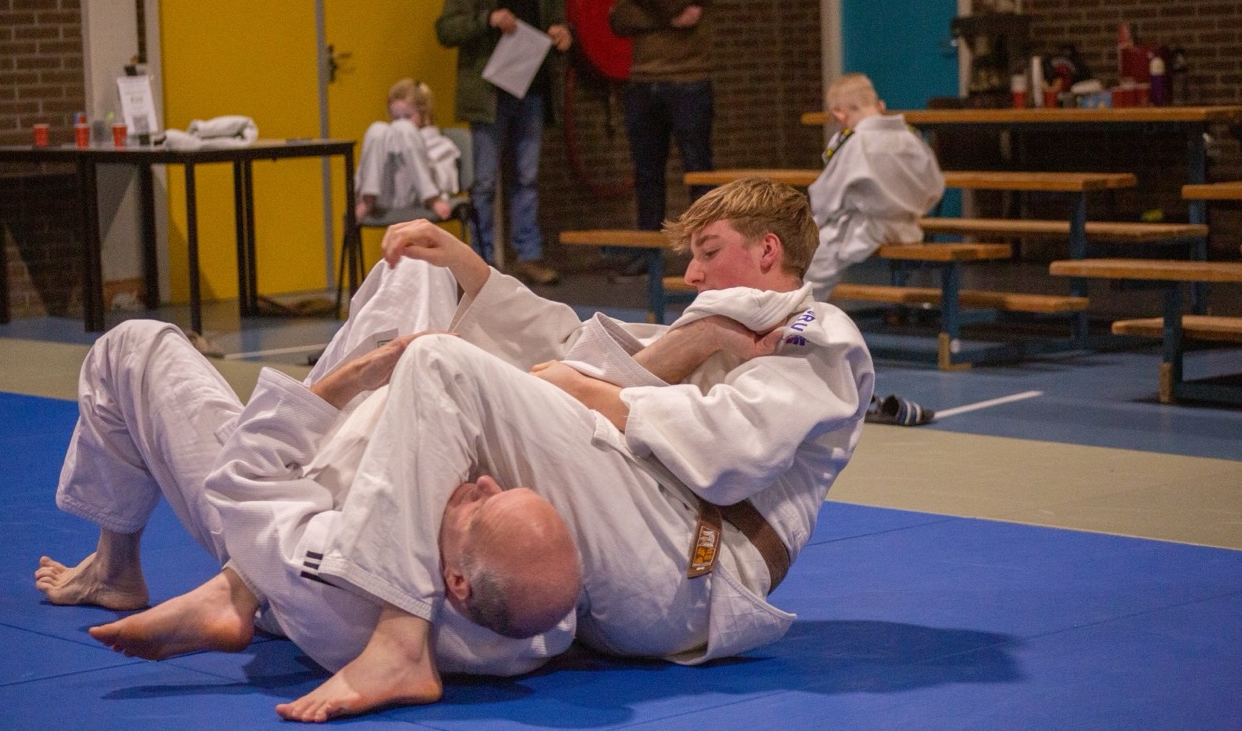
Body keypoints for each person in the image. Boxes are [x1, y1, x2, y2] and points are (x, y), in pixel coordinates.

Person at [52, 178, 873, 722]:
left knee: (442, 365)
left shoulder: (817, 331)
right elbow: (570, 347)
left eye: (709, 250)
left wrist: (597, 391)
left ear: (768, 251)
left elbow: (728, 452)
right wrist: (473, 272)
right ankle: (239, 579)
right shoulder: (713, 324)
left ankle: (395, 638)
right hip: (644, 540)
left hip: (693, 564)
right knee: (421, 324)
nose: (691, 271)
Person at [34, 269, 582, 705]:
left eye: (482, 507)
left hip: (277, 502)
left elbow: (251, 480)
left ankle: (168, 578)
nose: (484, 483)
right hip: (324, 489)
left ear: (456, 581)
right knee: (417, 268)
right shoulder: (541, 623)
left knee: (133, 345)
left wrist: (354, 378)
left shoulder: (346, 578)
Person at [435, 0, 571, 286]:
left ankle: (528, 254)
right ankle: (479, 260)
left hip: (531, 88)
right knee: (484, 181)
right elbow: (445, 29)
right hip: (489, 93)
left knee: (527, 178)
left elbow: (557, 21)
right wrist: (487, 19)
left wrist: (562, 32)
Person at [806, 73, 946, 426]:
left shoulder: (854, 142)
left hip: (863, 225)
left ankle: (799, 334)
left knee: (808, 267)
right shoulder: (911, 136)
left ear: (839, 114)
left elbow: (826, 196)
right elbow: (935, 187)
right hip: (907, 225)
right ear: (879, 105)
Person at [610, 0, 716, 275]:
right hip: (643, 80)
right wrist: (668, 20)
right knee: (647, 172)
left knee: (697, 169)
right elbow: (619, 17)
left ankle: (709, 249)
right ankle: (648, 251)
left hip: (687, 80)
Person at [353, 79, 460, 224]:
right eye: (396, 118)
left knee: (405, 129)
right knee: (376, 129)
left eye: (408, 116)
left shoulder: (439, 143)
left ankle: (431, 198)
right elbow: (366, 168)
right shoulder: (387, 137)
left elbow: (446, 181)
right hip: (384, 197)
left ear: (424, 114)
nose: (400, 121)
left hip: (418, 199)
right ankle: (368, 199)